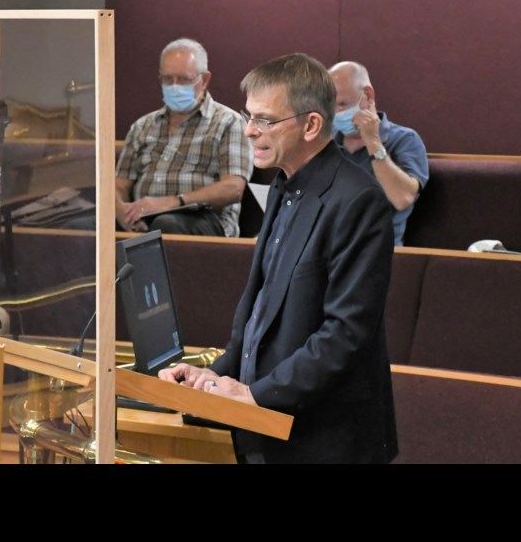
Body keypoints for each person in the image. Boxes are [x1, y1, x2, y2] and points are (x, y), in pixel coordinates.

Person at [159, 53, 398, 463]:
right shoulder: (285, 185)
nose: (250, 131)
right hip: (266, 429)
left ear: (311, 125)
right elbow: (260, 314)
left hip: (324, 441)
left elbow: (345, 334)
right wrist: (218, 373)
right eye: (248, 116)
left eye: (265, 120)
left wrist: (255, 394)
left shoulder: (358, 200)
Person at [114, 38, 252, 237]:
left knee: (165, 224)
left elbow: (233, 188)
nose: (174, 86)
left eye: (184, 79)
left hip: (200, 218)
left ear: (204, 80)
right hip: (140, 217)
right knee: (81, 225)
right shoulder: (142, 126)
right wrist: (121, 211)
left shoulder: (229, 123)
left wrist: (170, 203)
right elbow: (119, 184)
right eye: (167, 79)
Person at [328, 61, 428, 245]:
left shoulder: (404, 140)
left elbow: (402, 199)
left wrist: (373, 142)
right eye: (330, 107)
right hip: (323, 252)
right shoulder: (326, 142)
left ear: (367, 94)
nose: (337, 113)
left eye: (343, 104)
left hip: (375, 253)